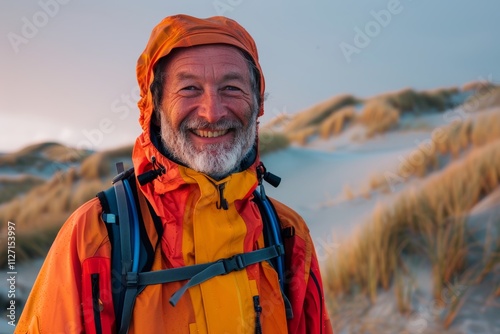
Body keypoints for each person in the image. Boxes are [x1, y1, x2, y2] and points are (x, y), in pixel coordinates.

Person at [16, 14, 333, 333]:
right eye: (190, 89)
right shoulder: (95, 237)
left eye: (232, 88)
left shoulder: (288, 234)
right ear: (154, 106)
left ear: (257, 103)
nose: (212, 112)